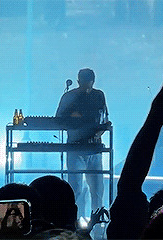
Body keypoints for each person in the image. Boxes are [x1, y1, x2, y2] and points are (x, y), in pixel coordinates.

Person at [56, 68, 109, 218]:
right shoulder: (71, 96)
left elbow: (104, 119)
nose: (85, 85)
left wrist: (99, 131)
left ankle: (88, 226)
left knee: (95, 190)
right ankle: (77, 223)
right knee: (78, 190)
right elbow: (59, 119)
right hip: (80, 148)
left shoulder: (97, 96)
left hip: (90, 149)